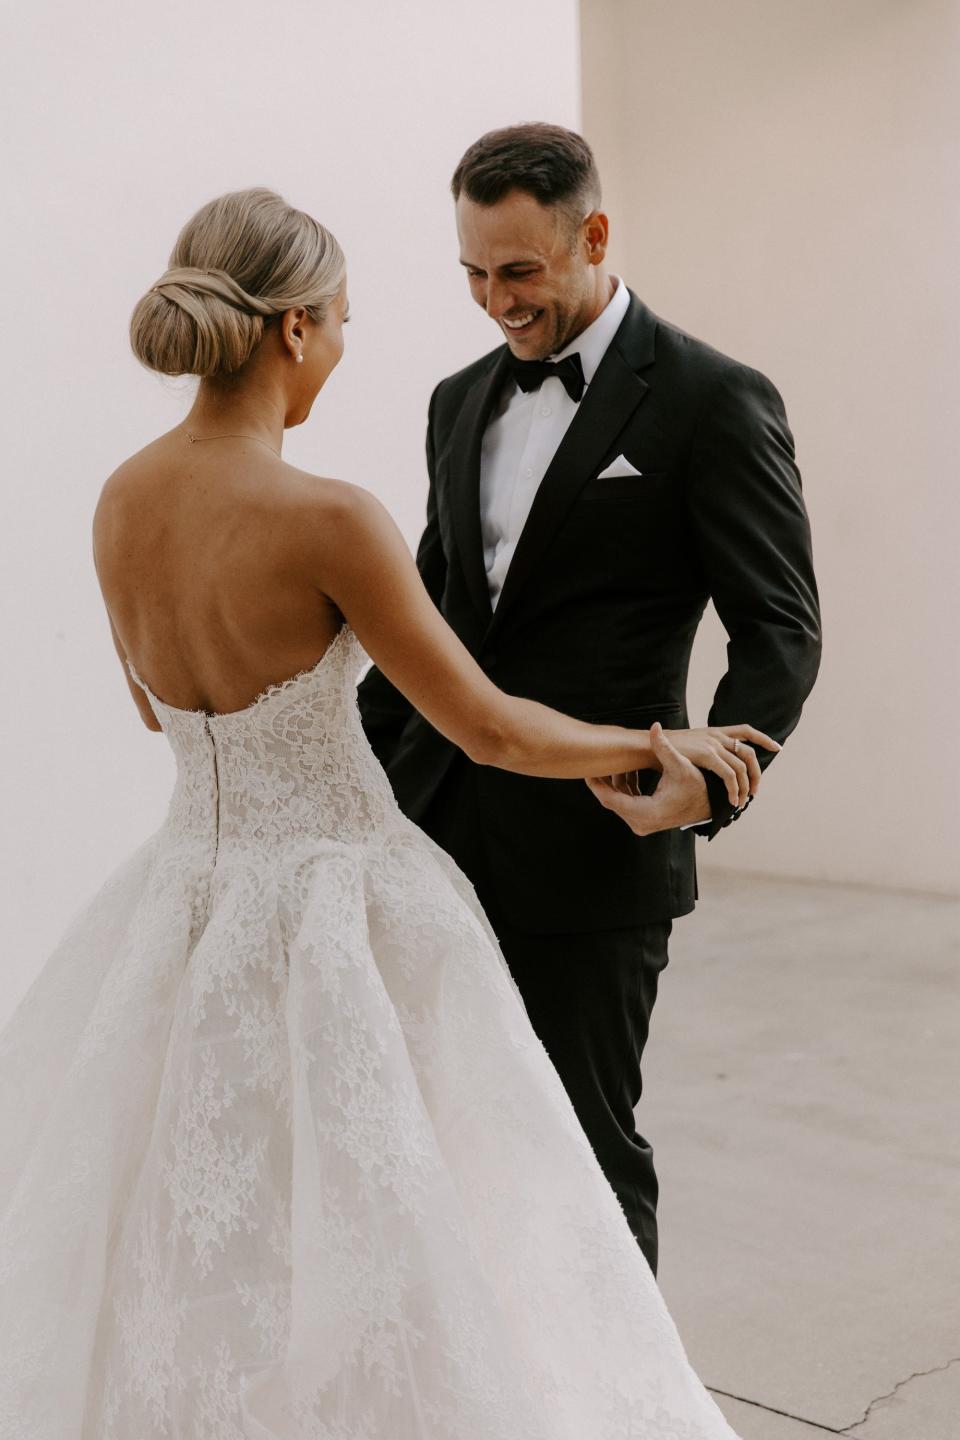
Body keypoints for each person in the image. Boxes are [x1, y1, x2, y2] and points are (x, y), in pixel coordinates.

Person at [0, 186, 774, 1436]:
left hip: (180, 903)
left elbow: (160, 712)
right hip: (339, 908)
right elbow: (489, 726)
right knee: (429, 1216)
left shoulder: (119, 500)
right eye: (347, 321)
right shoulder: (328, 518)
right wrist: (654, 740)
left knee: (207, 1228)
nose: (347, 352)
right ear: (295, 328)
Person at [359, 123, 822, 1274]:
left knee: (580, 1154)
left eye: (519, 271)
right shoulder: (455, 401)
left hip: (597, 847)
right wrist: (348, 777)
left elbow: (781, 629)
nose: (494, 302)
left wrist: (706, 790)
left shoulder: (714, 398)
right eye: (472, 272)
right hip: (427, 837)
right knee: (432, 1142)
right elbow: (437, 615)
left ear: (595, 235)